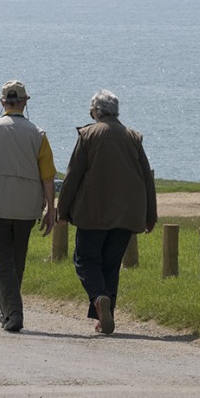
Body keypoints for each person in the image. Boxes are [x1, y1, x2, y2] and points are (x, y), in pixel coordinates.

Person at [56, 89, 157, 335]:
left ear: (97, 112)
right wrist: (150, 215)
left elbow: (73, 175)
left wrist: (63, 209)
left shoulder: (89, 135)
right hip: (126, 215)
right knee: (111, 265)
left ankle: (99, 298)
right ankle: (103, 317)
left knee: (85, 260)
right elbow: (147, 177)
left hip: (92, 213)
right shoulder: (133, 137)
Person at [0, 80, 57, 333]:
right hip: (27, 208)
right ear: (25, 102)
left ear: (2, 102)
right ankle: (6, 311)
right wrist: (51, 209)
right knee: (16, 262)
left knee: (3, 262)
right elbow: (48, 176)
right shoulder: (39, 134)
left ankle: (14, 312)